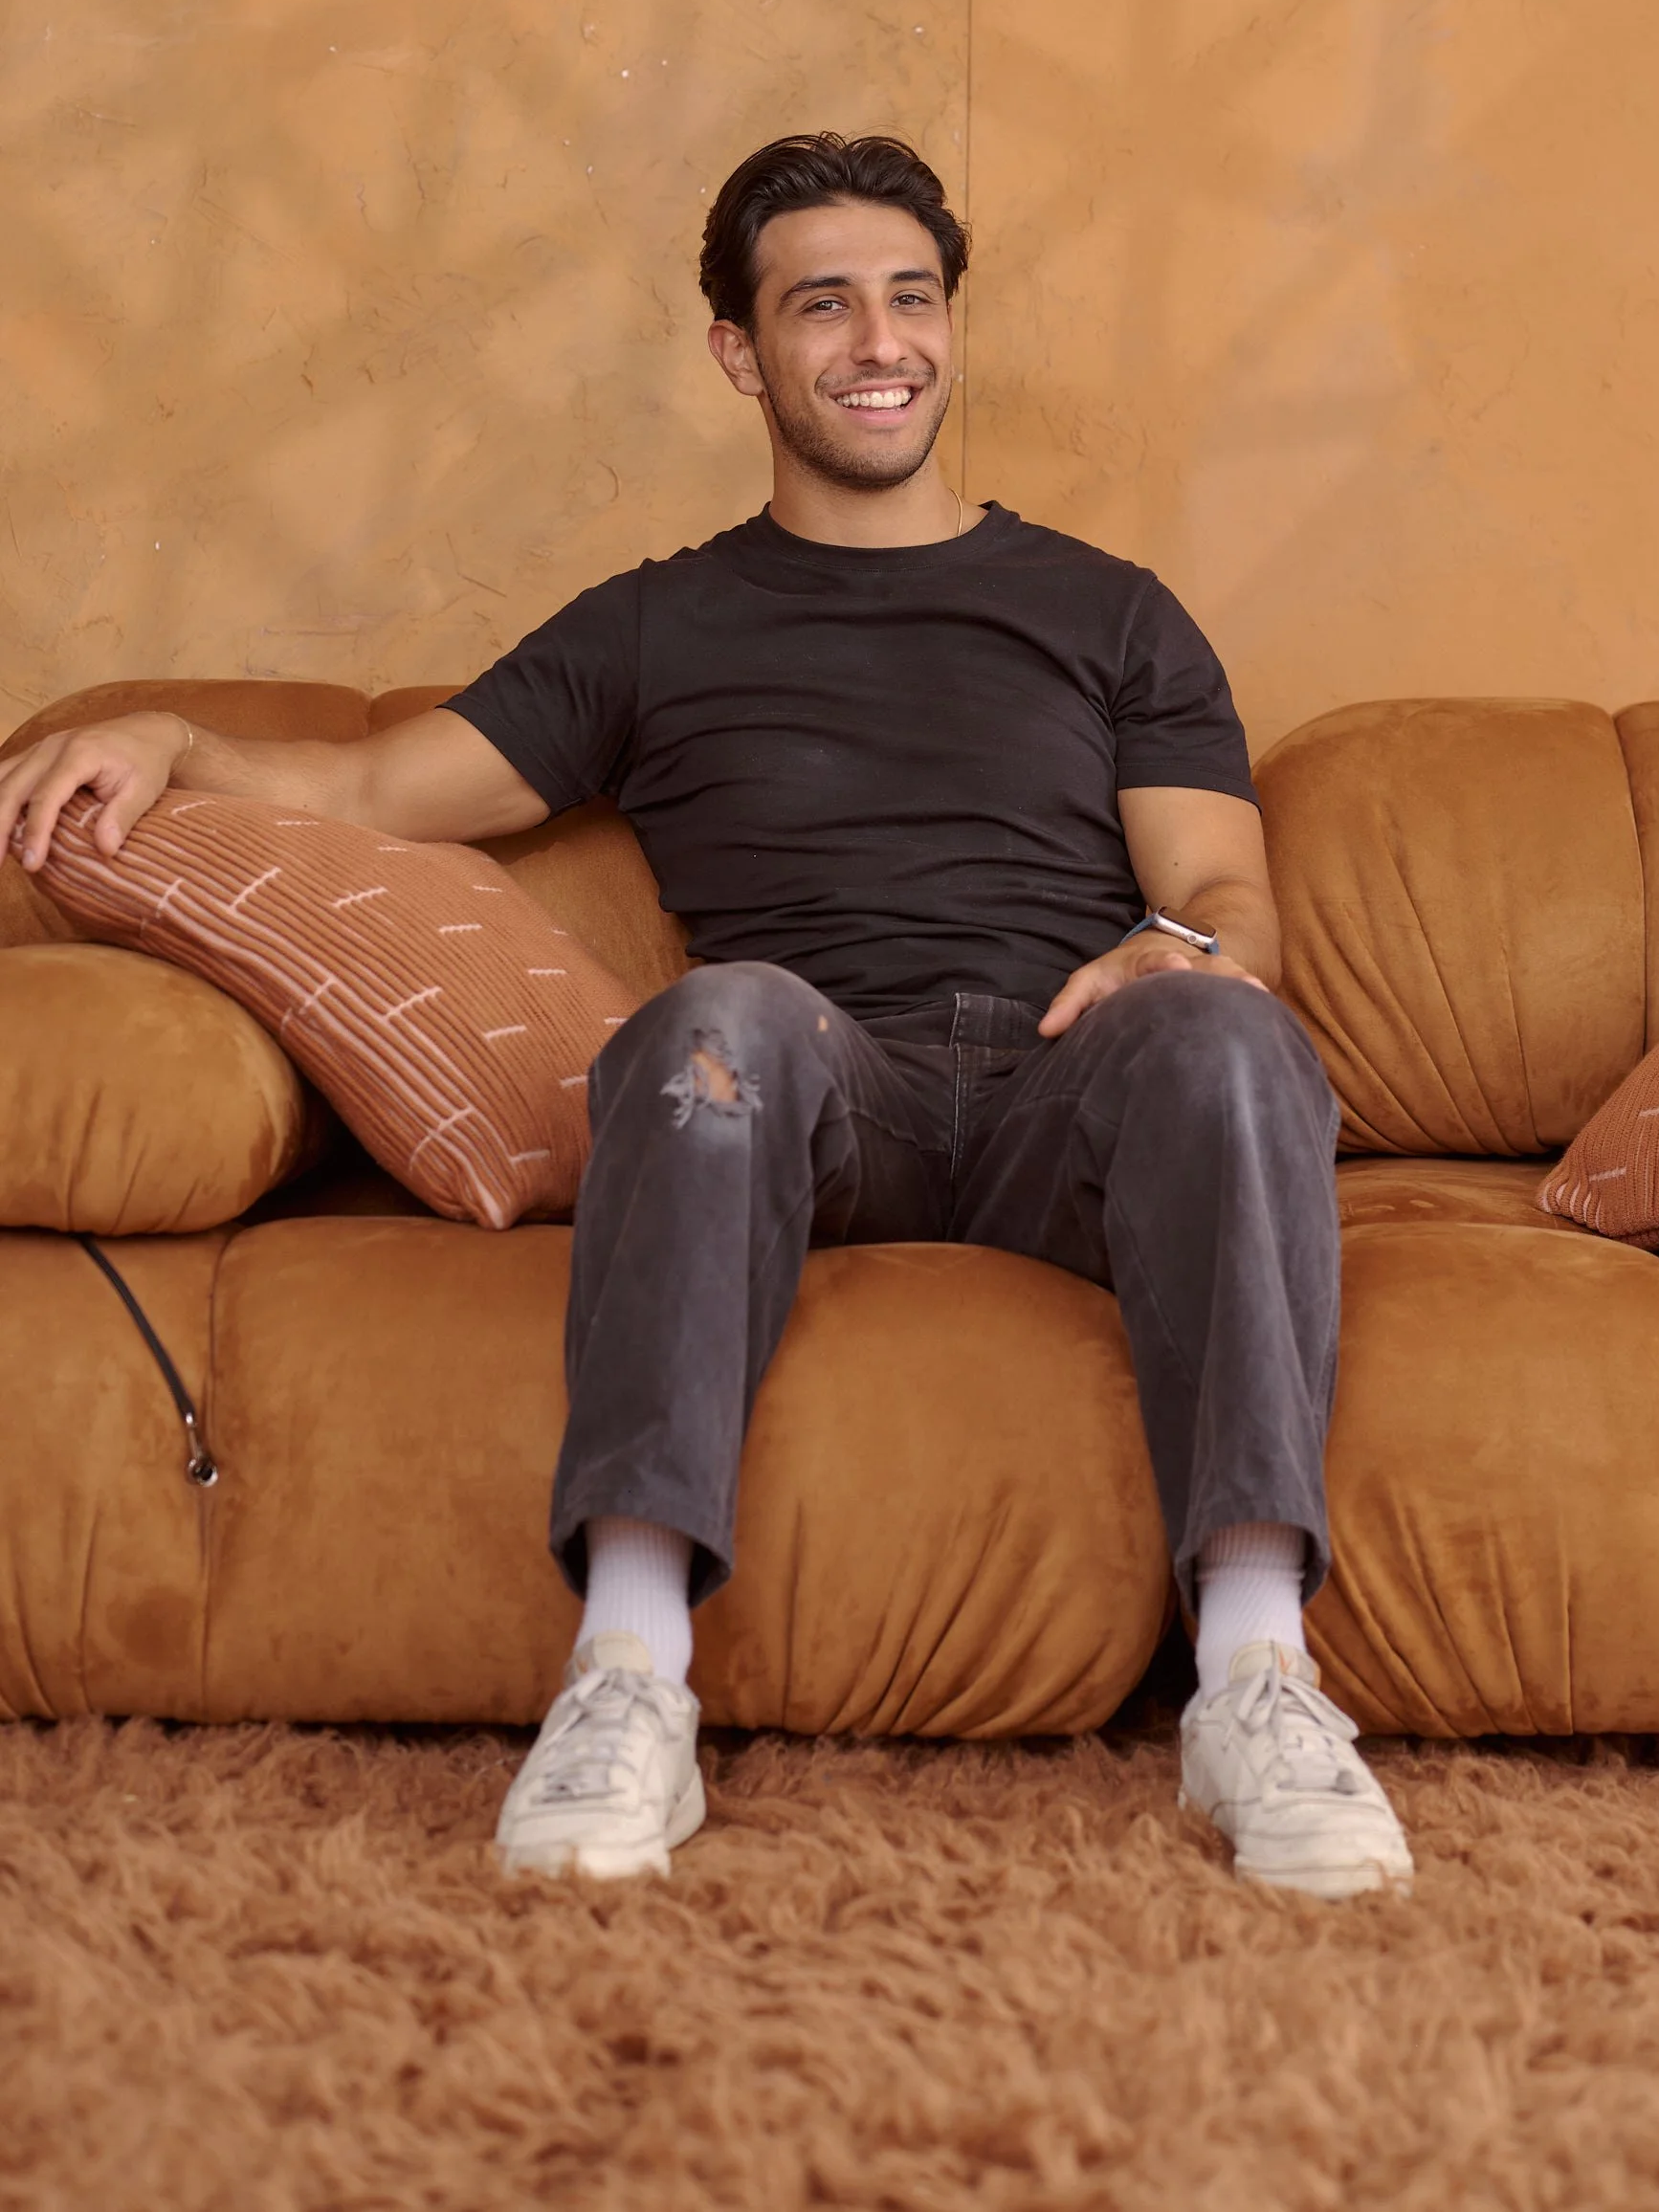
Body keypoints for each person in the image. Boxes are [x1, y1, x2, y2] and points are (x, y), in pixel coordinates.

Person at [1, 132, 1412, 1902]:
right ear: (743, 354)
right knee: (714, 1018)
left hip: (1077, 1079)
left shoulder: (1110, 612)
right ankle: (629, 1677)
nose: (878, 341)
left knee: (1227, 1027)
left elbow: (1232, 906)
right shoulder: (654, 627)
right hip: (818, 1086)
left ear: (951, 330)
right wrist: (174, 744)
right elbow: (368, 786)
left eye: (912, 300)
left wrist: (1176, 956)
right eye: (823, 305)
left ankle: (1257, 1678)